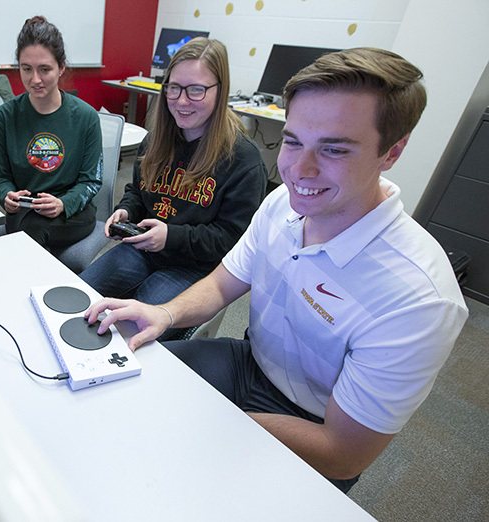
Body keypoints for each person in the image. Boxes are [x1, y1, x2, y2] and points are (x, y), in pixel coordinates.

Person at [83, 47, 469, 493]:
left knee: (193, 475)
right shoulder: (282, 204)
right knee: (133, 383)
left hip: (314, 423)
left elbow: (344, 454)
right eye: (292, 140)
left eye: (334, 149)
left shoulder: (419, 297)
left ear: (392, 152)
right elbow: (225, 281)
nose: (298, 170)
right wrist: (166, 314)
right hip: (248, 364)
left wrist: (219, 425)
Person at [79, 37, 267, 339]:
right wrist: (126, 210)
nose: (181, 101)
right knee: (81, 297)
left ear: (221, 91)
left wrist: (172, 237)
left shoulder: (242, 159)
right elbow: (138, 192)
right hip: (141, 250)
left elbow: (233, 242)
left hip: (194, 269)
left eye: (196, 90)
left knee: (137, 334)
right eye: (174, 88)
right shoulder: (156, 139)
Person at [0, 16, 102, 252]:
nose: (35, 79)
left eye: (45, 69)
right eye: (26, 69)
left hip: (72, 212)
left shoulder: (86, 117)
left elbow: (90, 181)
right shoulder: (4, 117)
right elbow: (1, 178)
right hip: (25, 210)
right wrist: (6, 196)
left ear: (61, 67)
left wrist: (63, 203)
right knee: (27, 225)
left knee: (29, 230)